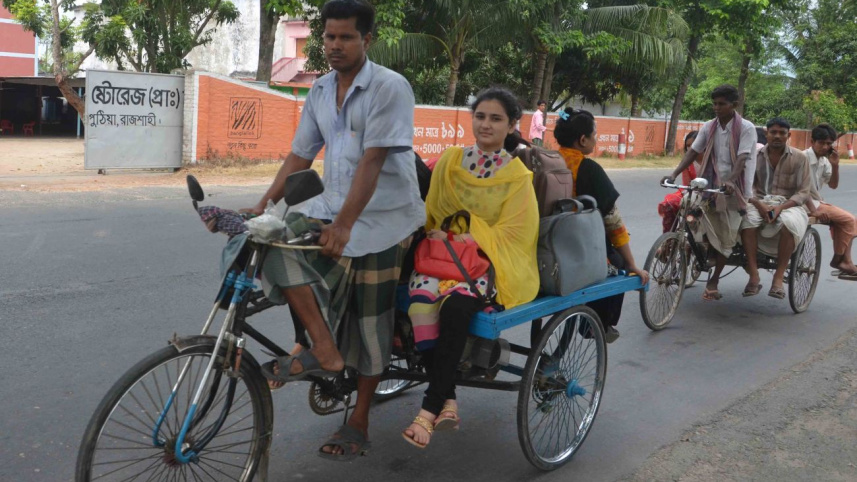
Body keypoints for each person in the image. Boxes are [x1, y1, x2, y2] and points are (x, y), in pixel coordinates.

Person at [241, 0, 425, 460]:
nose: (335, 45)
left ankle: (358, 421)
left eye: (345, 37)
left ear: (367, 40)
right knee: (275, 244)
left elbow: (374, 159)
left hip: (384, 217)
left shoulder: (389, 87)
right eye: (329, 36)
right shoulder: (321, 90)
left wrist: (344, 226)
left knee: (370, 319)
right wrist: (263, 207)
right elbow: (300, 155)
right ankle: (319, 346)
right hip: (332, 205)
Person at [402, 87, 540, 448]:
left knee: (455, 310)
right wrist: (442, 233)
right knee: (418, 306)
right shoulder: (450, 160)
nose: (486, 124)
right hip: (440, 256)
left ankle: (429, 408)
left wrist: (473, 236)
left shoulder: (517, 176)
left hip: (484, 265)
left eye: (496, 119)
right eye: (480, 116)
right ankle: (448, 399)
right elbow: (433, 208)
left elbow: (517, 232)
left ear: (512, 125)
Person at [554, 108, 649, 341]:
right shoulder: (589, 169)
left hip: (548, 243)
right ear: (583, 140)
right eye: (594, 135)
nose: (595, 140)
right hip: (580, 249)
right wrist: (632, 264)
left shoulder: (548, 160)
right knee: (617, 267)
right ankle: (598, 325)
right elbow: (613, 222)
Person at [662, 84, 757, 301]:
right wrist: (674, 174)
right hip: (709, 184)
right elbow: (694, 151)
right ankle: (685, 246)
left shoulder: (746, 128)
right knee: (686, 204)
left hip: (736, 188)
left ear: (735, 104)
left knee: (726, 235)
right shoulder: (709, 126)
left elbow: (742, 158)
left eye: (721, 104)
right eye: (714, 103)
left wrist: (731, 181)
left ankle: (714, 280)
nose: (716, 107)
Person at [740, 118, 811, 299]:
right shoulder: (754, 156)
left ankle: (778, 278)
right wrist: (758, 204)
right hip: (759, 201)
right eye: (773, 132)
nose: (777, 136)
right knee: (746, 220)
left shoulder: (800, 158)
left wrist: (780, 208)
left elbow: (803, 192)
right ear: (766, 134)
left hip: (789, 204)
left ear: (789, 135)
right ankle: (754, 276)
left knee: (789, 224)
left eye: (782, 133)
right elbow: (746, 187)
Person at [803, 124, 857, 279]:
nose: (825, 147)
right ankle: (840, 261)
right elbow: (799, 188)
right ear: (812, 141)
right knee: (849, 219)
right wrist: (814, 209)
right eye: (822, 143)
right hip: (803, 203)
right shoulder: (802, 157)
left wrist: (835, 165)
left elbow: (833, 185)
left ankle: (845, 260)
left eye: (829, 144)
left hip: (815, 201)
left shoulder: (825, 161)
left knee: (851, 222)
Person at [659, 131, 701, 233]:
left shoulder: (711, 159)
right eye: (688, 146)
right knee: (668, 204)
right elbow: (686, 184)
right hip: (689, 191)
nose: (691, 148)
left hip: (708, 193)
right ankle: (668, 240)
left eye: (694, 145)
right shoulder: (686, 162)